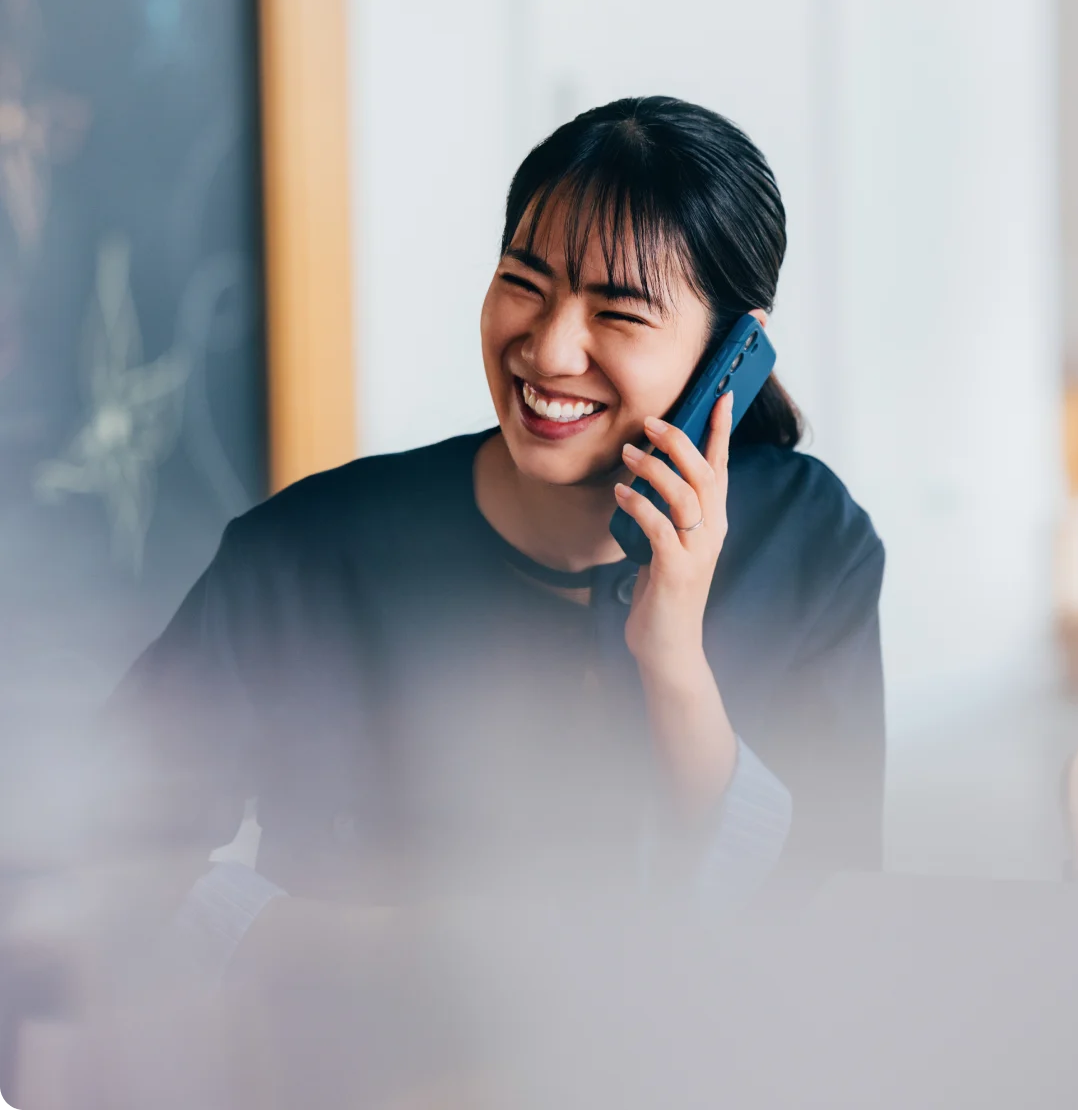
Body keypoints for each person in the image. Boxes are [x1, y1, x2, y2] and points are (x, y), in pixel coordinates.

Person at [97, 96, 885, 991]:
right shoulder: (306, 547)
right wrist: (392, 955)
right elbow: (98, 856)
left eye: (618, 314)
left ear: (733, 352)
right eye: (525, 283)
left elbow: (826, 906)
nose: (550, 352)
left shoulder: (812, 540)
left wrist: (672, 661)